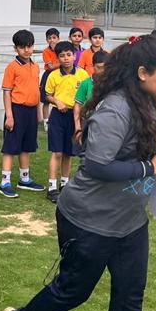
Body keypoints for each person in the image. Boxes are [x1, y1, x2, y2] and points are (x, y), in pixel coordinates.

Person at [1, 36, 156, 311]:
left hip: (130, 222)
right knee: (73, 291)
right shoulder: (116, 109)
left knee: (130, 293)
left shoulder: (148, 102)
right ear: (142, 72)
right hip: (88, 221)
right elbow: (98, 165)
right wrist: (150, 167)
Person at [0, 30, 45, 198]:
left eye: (29, 46)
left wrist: (38, 113)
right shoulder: (12, 67)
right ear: (16, 48)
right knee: (11, 147)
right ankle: (5, 182)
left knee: (27, 145)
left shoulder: (35, 66)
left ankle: (24, 179)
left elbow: (36, 91)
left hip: (31, 111)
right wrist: (10, 116)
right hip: (17, 110)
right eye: (22, 47)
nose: (26, 50)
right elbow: (7, 92)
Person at [44, 41, 89, 203]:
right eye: (62, 56)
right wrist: (57, 101)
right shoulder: (53, 75)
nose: (66, 58)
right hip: (58, 116)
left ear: (74, 55)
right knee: (56, 152)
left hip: (74, 116)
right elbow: (47, 95)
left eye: (69, 55)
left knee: (68, 153)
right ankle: (51, 187)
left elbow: (86, 94)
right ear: (58, 58)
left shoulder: (83, 75)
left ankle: (65, 184)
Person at [73, 49, 106, 151]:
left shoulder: (113, 84)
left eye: (105, 67)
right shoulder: (85, 84)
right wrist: (78, 127)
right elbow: (77, 105)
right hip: (88, 123)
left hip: (107, 124)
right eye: (99, 67)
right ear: (93, 66)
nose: (102, 71)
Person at [39, 28, 61, 132]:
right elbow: (51, 67)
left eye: (54, 37)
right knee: (46, 100)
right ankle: (46, 122)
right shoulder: (46, 51)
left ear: (58, 38)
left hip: (60, 75)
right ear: (46, 40)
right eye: (49, 38)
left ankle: (57, 121)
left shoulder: (61, 49)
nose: (52, 40)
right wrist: (63, 62)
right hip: (48, 75)